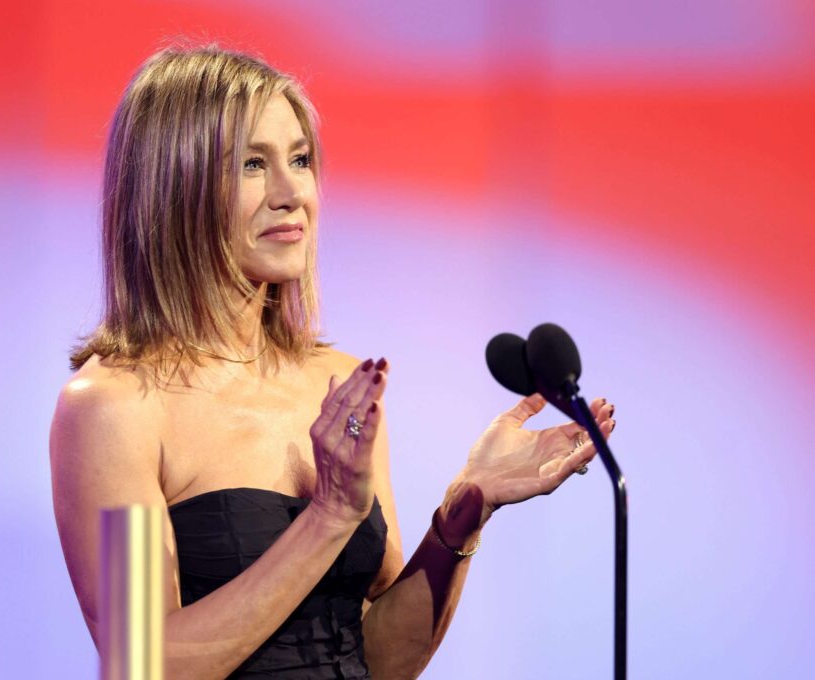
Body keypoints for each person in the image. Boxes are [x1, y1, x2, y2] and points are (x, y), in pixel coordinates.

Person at [49, 44, 616, 679]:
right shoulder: (113, 407)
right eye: (253, 164)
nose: (293, 193)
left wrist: (465, 513)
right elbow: (141, 664)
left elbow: (380, 658)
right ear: (173, 185)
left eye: (300, 160)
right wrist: (328, 519)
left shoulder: (338, 386)